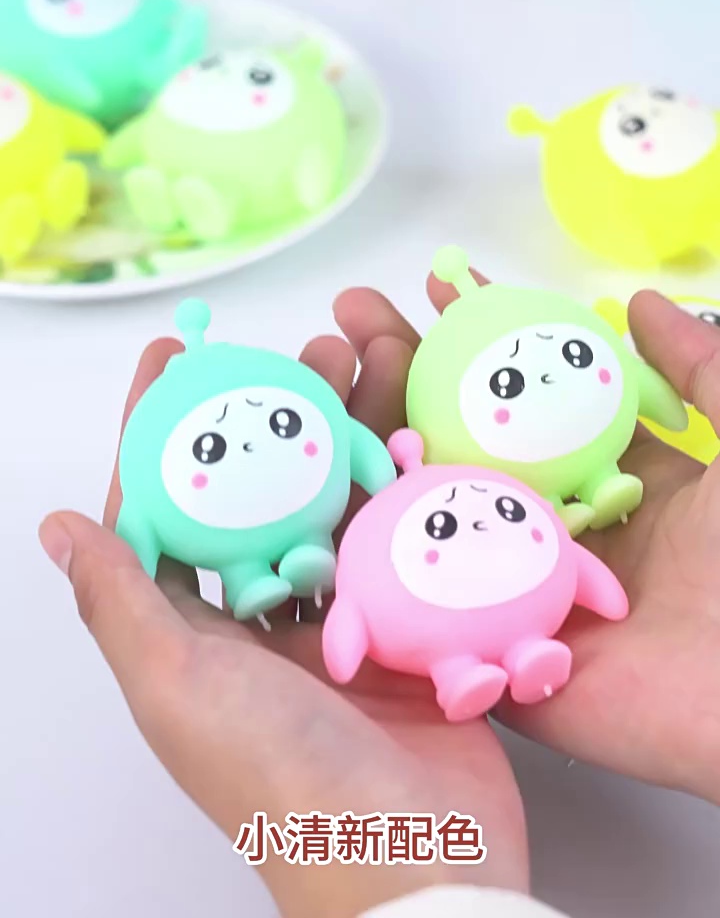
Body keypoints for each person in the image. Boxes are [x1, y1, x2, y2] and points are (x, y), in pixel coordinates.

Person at [38, 266, 720, 918]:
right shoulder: (396, 515)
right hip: (470, 545)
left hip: (523, 537)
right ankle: (318, 596)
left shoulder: (474, 494)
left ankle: (491, 614)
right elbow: (354, 456)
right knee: (444, 607)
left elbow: (356, 448)